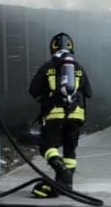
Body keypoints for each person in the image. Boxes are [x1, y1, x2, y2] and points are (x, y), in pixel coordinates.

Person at [27, 32, 93, 198]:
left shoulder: (48, 67)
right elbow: (89, 93)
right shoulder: (78, 67)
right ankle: (65, 185)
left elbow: (33, 91)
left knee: (47, 146)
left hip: (54, 114)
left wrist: (48, 97)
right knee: (70, 152)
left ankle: (61, 172)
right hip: (76, 115)